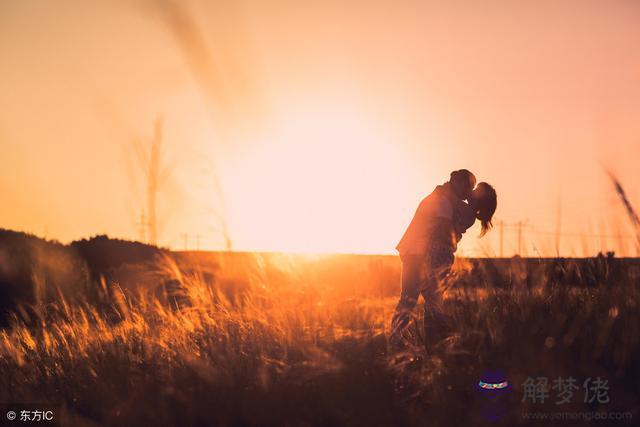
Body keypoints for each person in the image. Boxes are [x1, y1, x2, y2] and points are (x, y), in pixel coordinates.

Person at [391, 171, 497, 351]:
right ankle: (433, 347)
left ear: (480, 200)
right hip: (421, 254)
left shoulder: (456, 206)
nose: (471, 191)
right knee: (429, 304)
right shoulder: (450, 202)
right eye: (470, 187)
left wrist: (444, 189)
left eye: (475, 189)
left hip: (429, 257)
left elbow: (443, 226)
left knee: (419, 303)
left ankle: (421, 346)